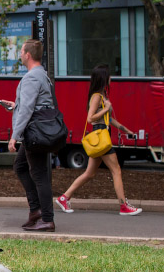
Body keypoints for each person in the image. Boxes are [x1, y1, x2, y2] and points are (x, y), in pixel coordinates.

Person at [55, 64, 142, 216]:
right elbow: (90, 118)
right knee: (116, 171)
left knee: (90, 174)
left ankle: (64, 197)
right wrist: (105, 108)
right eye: (109, 76)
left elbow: (108, 119)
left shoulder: (102, 96)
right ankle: (123, 206)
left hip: (100, 137)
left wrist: (124, 129)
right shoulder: (97, 97)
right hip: (100, 137)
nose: (111, 78)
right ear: (103, 78)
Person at [0, 39, 55, 232]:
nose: (20, 55)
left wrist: (15, 136)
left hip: (34, 133)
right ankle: (36, 211)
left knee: (39, 174)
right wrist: (15, 106)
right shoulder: (42, 75)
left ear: (28, 55)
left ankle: (46, 217)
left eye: (21, 52)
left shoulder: (31, 77)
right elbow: (34, 105)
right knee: (21, 166)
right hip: (38, 131)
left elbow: (28, 109)